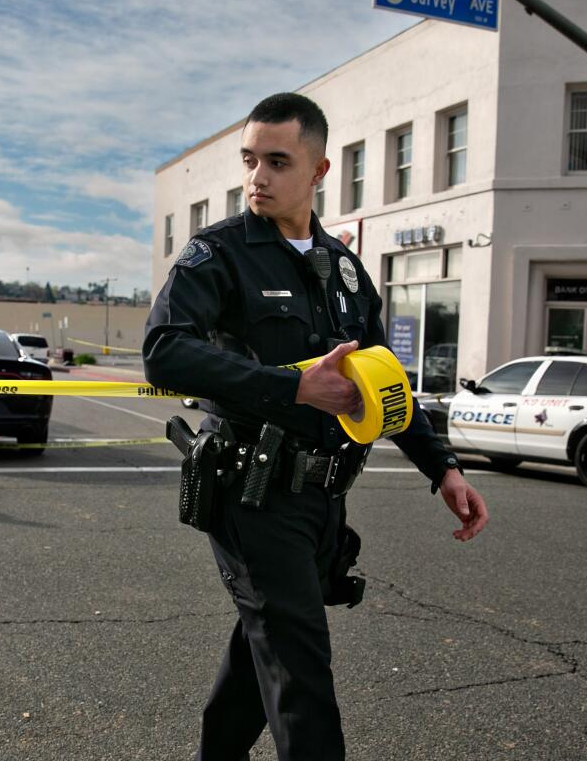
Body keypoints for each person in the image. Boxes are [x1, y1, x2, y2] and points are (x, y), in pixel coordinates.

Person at [143, 93, 489, 761]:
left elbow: (384, 385)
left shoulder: (349, 275)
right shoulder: (218, 255)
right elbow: (164, 349)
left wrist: (442, 467)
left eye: (277, 161)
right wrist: (292, 386)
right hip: (249, 489)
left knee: (265, 645)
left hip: (321, 496)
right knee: (301, 669)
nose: (257, 177)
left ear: (320, 169)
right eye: (250, 160)